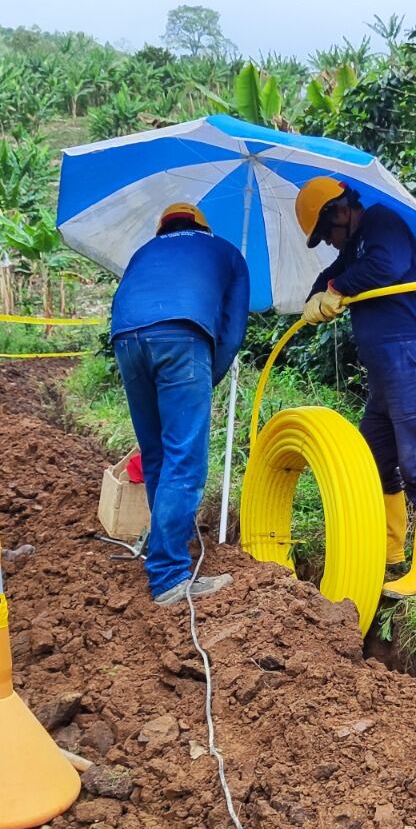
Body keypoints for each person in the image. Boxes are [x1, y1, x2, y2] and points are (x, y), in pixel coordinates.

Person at [296, 176, 416, 597]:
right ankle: (391, 553)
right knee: (372, 459)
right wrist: (317, 295)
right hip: (387, 371)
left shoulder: (382, 224)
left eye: (326, 233)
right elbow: (329, 276)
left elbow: (386, 266)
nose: (329, 243)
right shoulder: (352, 249)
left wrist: (336, 289)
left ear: (340, 212)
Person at [109, 202, 249, 605]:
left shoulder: (144, 252)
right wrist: (206, 378)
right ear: (203, 228)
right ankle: (170, 576)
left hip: (126, 341)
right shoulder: (226, 252)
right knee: (184, 460)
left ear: (162, 230)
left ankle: (166, 548)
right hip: (182, 338)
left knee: (156, 454)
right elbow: (232, 331)